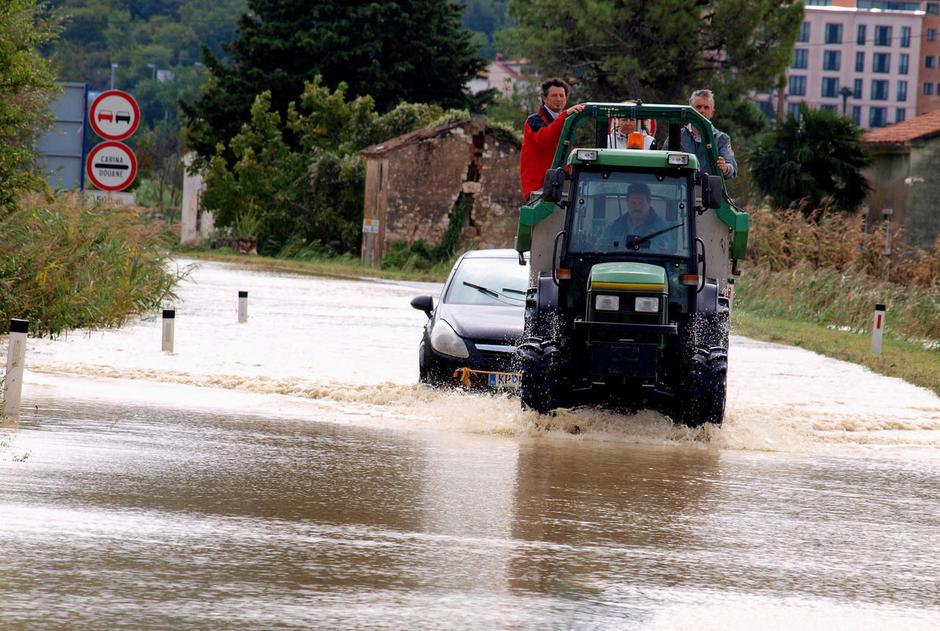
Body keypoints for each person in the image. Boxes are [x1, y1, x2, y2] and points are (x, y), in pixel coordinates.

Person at [520, 78, 585, 200]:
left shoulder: (563, 121)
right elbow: (545, 139)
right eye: (554, 95)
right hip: (539, 189)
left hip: (558, 187)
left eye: (562, 95)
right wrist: (565, 115)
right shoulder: (534, 120)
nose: (559, 99)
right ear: (544, 98)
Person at [672, 89, 737, 179]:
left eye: (706, 107)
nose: (702, 111)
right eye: (698, 107)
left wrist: (725, 168)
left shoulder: (722, 139)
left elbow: (732, 169)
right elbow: (662, 162)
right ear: (690, 110)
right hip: (680, 190)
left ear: (712, 112)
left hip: (709, 191)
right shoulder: (676, 136)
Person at [599, 182, 676, 253]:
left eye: (641, 203)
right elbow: (601, 247)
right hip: (619, 266)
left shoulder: (661, 228)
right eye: (633, 203)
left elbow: (667, 250)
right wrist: (622, 250)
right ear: (627, 203)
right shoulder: (614, 227)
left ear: (649, 203)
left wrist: (640, 251)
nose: (637, 207)